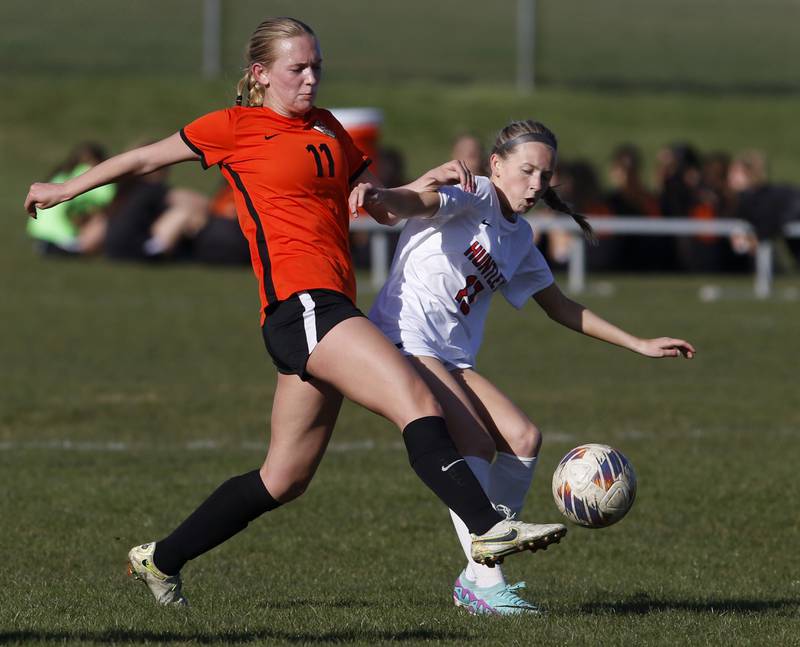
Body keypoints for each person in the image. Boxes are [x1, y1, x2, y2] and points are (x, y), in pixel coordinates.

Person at [24, 17, 567, 607]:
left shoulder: (330, 129)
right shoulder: (232, 128)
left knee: (283, 479)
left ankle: (160, 558)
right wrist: (65, 190)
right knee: (416, 400)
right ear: (259, 75)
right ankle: (488, 532)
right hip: (300, 306)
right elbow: (143, 159)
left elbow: (379, 205)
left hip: (328, 309)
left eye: (316, 67)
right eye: (297, 69)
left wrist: (423, 181)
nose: (311, 79)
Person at [350, 119, 696, 615]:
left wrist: (638, 343)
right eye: (526, 170)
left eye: (545, 175)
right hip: (403, 336)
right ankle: (487, 582)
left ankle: (477, 572)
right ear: (497, 165)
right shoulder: (476, 195)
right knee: (470, 439)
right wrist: (382, 195)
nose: (535, 184)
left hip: (450, 355)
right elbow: (412, 205)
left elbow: (561, 306)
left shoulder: (521, 238)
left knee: (523, 438)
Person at [26, 141, 114, 256]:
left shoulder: (63, 173)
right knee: (105, 216)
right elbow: (105, 204)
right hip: (63, 236)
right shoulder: (96, 175)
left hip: (39, 232)